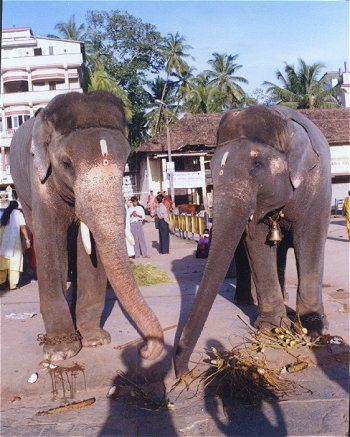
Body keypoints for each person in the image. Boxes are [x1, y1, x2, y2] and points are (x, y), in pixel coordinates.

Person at [0, 201, 31, 289]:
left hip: (3, 239)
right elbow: (22, 227)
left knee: (3, 260)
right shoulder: (18, 214)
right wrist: (27, 239)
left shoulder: (5, 213)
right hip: (14, 240)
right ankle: (12, 284)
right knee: (15, 260)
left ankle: (1, 282)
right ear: (17, 207)